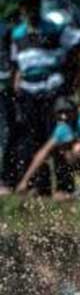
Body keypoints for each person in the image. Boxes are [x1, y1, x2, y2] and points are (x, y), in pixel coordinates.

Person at [10, 0, 80, 195]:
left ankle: (64, 186)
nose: (30, 10)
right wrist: (16, 83)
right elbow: (17, 63)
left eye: (34, 5)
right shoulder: (18, 33)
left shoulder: (53, 28)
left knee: (58, 136)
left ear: (38, 7)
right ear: (22, 9)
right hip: (28, 91)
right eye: (26, 6)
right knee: (33, 138)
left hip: (51, 88)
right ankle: (41, 186)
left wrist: (65, 61)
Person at [0, 15, 16, 192]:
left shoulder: (6, 30)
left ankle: (5, 179)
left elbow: (13, 59)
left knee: (7, 133)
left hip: (5, 88)